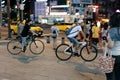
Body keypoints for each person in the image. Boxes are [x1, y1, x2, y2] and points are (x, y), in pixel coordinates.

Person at [105, 12, 120, 80]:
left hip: (111, 56)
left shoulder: (113, 30)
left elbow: (111, 45)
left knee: (110, 76)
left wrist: (105, 44)